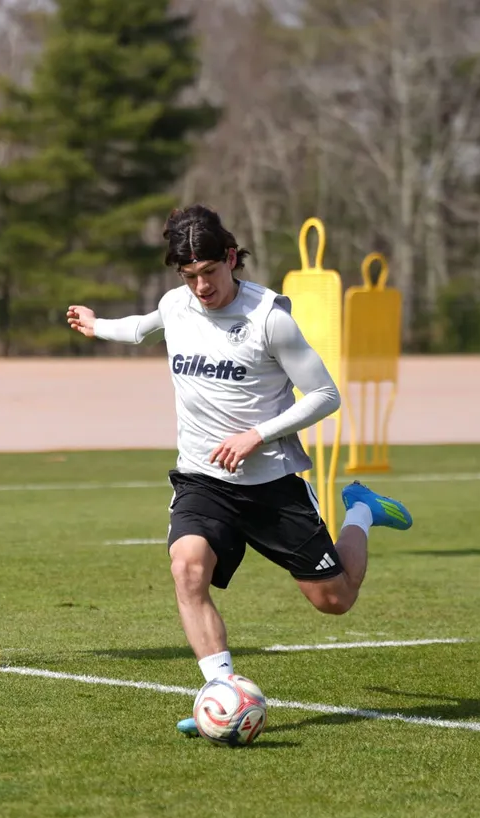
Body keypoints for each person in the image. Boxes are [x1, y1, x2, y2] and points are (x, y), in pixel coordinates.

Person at [66, 204, 414, 736]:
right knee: (187, 568)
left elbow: (325, 395)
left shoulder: (269, 319)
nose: (201, 286)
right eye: (189, 276)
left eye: (209, 272)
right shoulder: (178, 305)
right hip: (201, 479)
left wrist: (258, 434)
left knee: (335, 600)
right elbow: (142, 329)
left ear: (231, 258)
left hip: (270, 483)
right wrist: (97, 326)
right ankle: (221, 691)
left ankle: (362, 511)